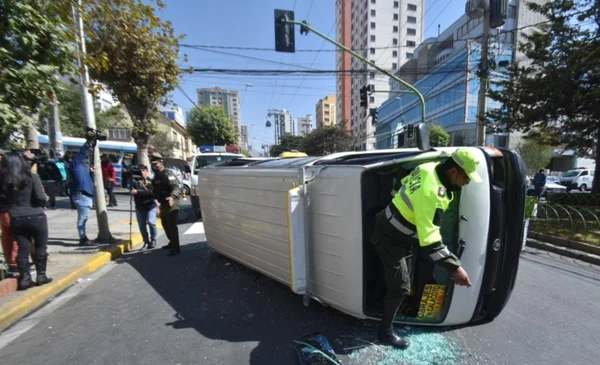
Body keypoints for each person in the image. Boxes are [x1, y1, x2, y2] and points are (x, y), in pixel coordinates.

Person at [370, 148, 480, 349]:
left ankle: (391, 309)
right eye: (467, 177)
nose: (468, 182)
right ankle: (384, 332)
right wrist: (456, 269)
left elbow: (401, 187)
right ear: (454, 171)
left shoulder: (427, 167)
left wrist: (388, 209)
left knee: (402, 282)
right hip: (390, 239)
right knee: (401, 286)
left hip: (401, 237)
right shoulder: (433, 194)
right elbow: (430, 242)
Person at [0, 153, 52, 290]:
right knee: (41, 246)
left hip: (17, 218)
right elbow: (41, 198)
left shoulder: (5, 181)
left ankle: (25, 279)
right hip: (36, 216)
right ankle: (41, 276)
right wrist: (45, 198)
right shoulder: (32, 177)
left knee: (23, 248)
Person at [151, 153, 181, 256]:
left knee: (171, 225)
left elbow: (176, 188)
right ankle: (171, 242)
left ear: (161, 163)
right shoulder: (156, 176)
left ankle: (176, 247)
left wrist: (172, 197)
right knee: (165, 225)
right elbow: (155, 190)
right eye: (153, 164)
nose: (154, 166)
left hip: (171, 203)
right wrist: (156, 201)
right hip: (162, 203)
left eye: (156, 164)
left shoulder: (168, 174)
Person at [69, 141, 96, 246]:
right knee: (82, 219)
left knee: (84, 218)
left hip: (86, 195)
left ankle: (83, 237)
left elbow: (90, 181)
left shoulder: (84, 170)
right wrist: (87, 144)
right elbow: (81, 154)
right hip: (81, 195)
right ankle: (83, 238)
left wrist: (92, 173)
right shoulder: (74, 166)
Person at [0, 149, 19, 276]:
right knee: (16, 237)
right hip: (10, 208)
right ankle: (14, 263)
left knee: (7, 236)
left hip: (2, 210)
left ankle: (11, 261)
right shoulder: (10, 175)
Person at [131, 165, 157, 249]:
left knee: (151, 222)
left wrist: (138, 192)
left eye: (143, 170)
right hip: (140, 207)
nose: (141, 172)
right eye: (140, 171)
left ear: (147, 171)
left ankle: (153, 239)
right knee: (142, 226)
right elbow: (128, 188)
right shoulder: (134, 182)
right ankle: (146, 241)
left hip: (150, 206)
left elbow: (151, 193)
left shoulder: (150, 181)